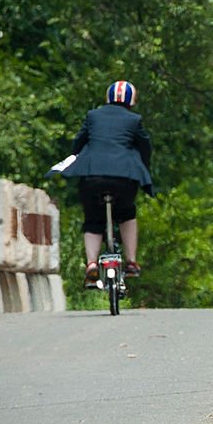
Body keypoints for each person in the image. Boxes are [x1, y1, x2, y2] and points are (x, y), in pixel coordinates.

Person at [60, 81, 154, 287]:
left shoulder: (93, 116)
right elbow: (145, 147)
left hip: (92, 177)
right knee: (127, 213)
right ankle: (131, 262)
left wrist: (74, 158)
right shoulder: (134, 120)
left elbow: (78, 143)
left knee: (93, 219)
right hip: (124, 179)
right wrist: (144, 168)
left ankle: (92, 265)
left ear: (108, 97)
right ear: (131, 101)